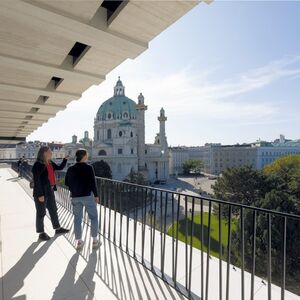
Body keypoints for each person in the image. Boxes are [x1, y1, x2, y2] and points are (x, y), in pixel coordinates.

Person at [65, 149, 100, 251]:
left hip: (75, 197)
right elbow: (93, 182)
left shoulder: (71, 168)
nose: (88, 155)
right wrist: (96, 195)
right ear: (84, 156)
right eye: (87, 154)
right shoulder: (89, 167)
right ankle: (94, 241)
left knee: (77, 219)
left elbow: (67, 182)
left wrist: (74, 189)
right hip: (87, 196)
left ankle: (79, 242)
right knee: (93, 217)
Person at [32, 146, 70, 241]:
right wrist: (40, 194)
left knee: (53, 209)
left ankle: (57, 228)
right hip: (41, 192)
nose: (51, 153)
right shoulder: (37, 165)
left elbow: (59, 167)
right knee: (41, 213)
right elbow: (37, 181)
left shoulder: (50, 162)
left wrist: (65, 159)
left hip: (50, 190)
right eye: (50, 151)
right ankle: (41, 233)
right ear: (44, 153)